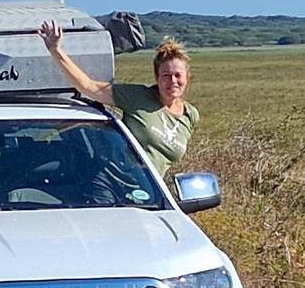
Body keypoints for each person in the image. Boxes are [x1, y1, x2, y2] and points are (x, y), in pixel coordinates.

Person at [38, 19, 199, 177]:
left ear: (188, 77)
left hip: (149, 193)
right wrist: (55, 50)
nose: (172, 81)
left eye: (178, 75)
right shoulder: (137, 97)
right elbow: (88, 86)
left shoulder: (190, 115)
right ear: (156, 78)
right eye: (166, 75)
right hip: (112, 184)